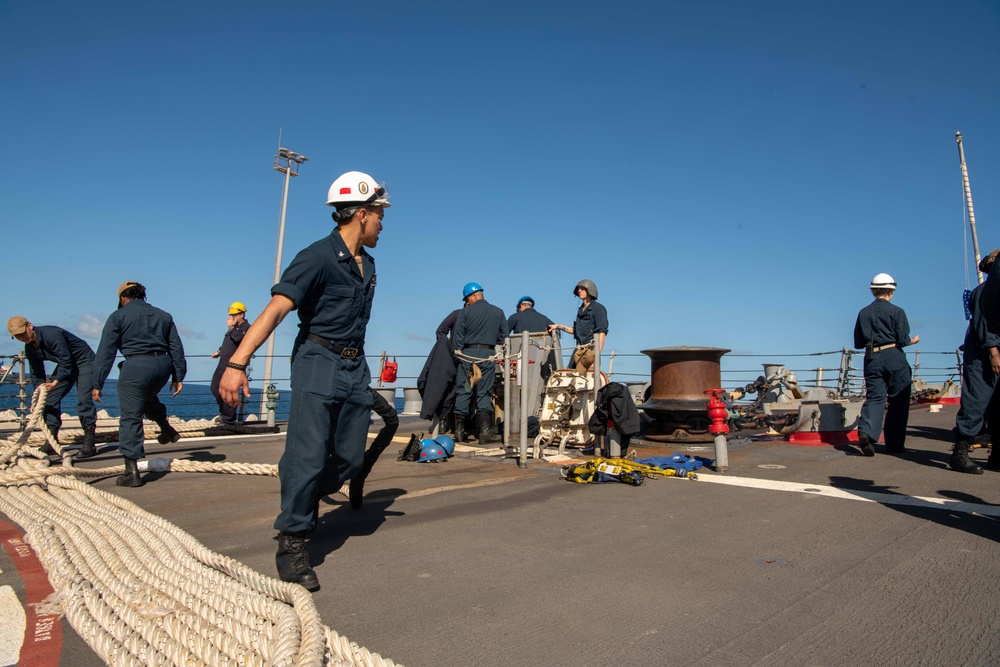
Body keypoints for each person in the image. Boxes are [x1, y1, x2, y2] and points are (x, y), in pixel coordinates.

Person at [218, 170, 390, 591]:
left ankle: (297, 477)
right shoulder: (315, 256)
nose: (383, 224)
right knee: (310, 457)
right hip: (317, 360)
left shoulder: (369, 266)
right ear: (362, 214)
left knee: (349, 459)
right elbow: (277, 309)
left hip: (354, 366)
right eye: (380, 216)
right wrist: (237, 363)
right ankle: (292, 539)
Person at [92, 281, 187, 486]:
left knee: (130, 417)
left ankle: (131, 472)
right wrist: (178, 375)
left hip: (136, 366)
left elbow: (106, 353)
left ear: (123, 298)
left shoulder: (118, 316)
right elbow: (176, 348)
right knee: (146, 398)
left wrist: (96, 382)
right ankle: (167, 429)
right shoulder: (164, 315)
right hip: (162, 366)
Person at [7, 316, 98, 458]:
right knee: (49, 399)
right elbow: (37, 373)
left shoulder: (52, 335)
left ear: (29, 325)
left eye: (22, 333)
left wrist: (55, 382)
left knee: (83, 399)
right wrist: (38, 395)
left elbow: (65, 359)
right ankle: (51, 441)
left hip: (84, 360)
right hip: (67, 365)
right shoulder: (30, 348)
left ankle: (89, 442)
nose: (22, 337)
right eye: (17, 336)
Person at [852, 273, 919, 457]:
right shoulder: (897, 311)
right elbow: (902, 339)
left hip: (871, 356)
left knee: (874, 397)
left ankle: (867, 432)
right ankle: (895, 444)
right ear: (890, 292)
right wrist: (911, 341)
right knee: (899, 399)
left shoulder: (863, 312)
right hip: (893, 355)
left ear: (873, 291)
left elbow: (858, 342)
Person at [951, 251, 1000, 473]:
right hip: (984, 354)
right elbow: (982, 325)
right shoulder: (983, 292)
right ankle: (959, 453)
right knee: (975, 402)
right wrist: (993, 350)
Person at [452, 282, 508, 444]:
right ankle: (485, 433)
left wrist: (458, 356)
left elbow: (458, 337)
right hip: (487, 356)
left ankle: (460, 433)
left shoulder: (465, 312)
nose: (466, 302)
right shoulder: (498, 312)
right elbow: (505, 336)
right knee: (484, 391)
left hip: (467, 357)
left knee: (465, 390)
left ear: (473, 296)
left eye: (467, 298)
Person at [348, 387, 400, 509]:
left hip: (352, 386)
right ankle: (362, 470)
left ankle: (362, 468)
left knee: (392, 419)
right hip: (355, 385)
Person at [548, 279, 609, 372]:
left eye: (582, 289)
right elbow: (576, 331)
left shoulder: (598, 309)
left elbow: (602, 334)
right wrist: (558, 326)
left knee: (586, 382)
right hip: (578, 350)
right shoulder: (580, 310)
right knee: (570, 376)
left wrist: (595, 358)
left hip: (590, 351)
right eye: (578, 289)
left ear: (590, 290)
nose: (579, 291)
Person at [210, 302, 252, 425]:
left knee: (228, 391)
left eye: (234, 315)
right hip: (223, 363)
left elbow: (237, 339)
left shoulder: (246, 328)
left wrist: (230, 328)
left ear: (242, 314)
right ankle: (225, 414)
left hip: (234, 366)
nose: (231, 317)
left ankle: (228, 419)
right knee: (215, 388)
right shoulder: (234, 329)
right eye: (230, 315)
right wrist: (219, 351)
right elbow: (228, 343)